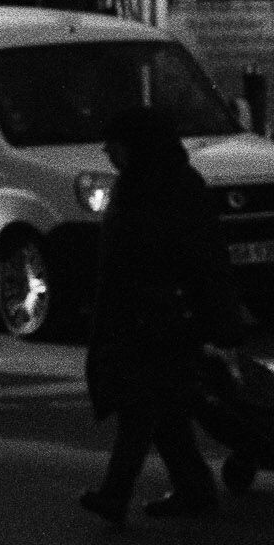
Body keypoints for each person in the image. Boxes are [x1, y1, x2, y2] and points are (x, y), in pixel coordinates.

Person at [83, 103, 237, 522]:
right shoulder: (148, 185)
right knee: (162, 408)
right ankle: (194, 488)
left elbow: (204, 259)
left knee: (142, 404)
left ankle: (117, 494)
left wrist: (216, 319)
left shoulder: (169, 189)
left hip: (164, 317)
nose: (109, 154)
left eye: (115, 146)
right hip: (146, 316)